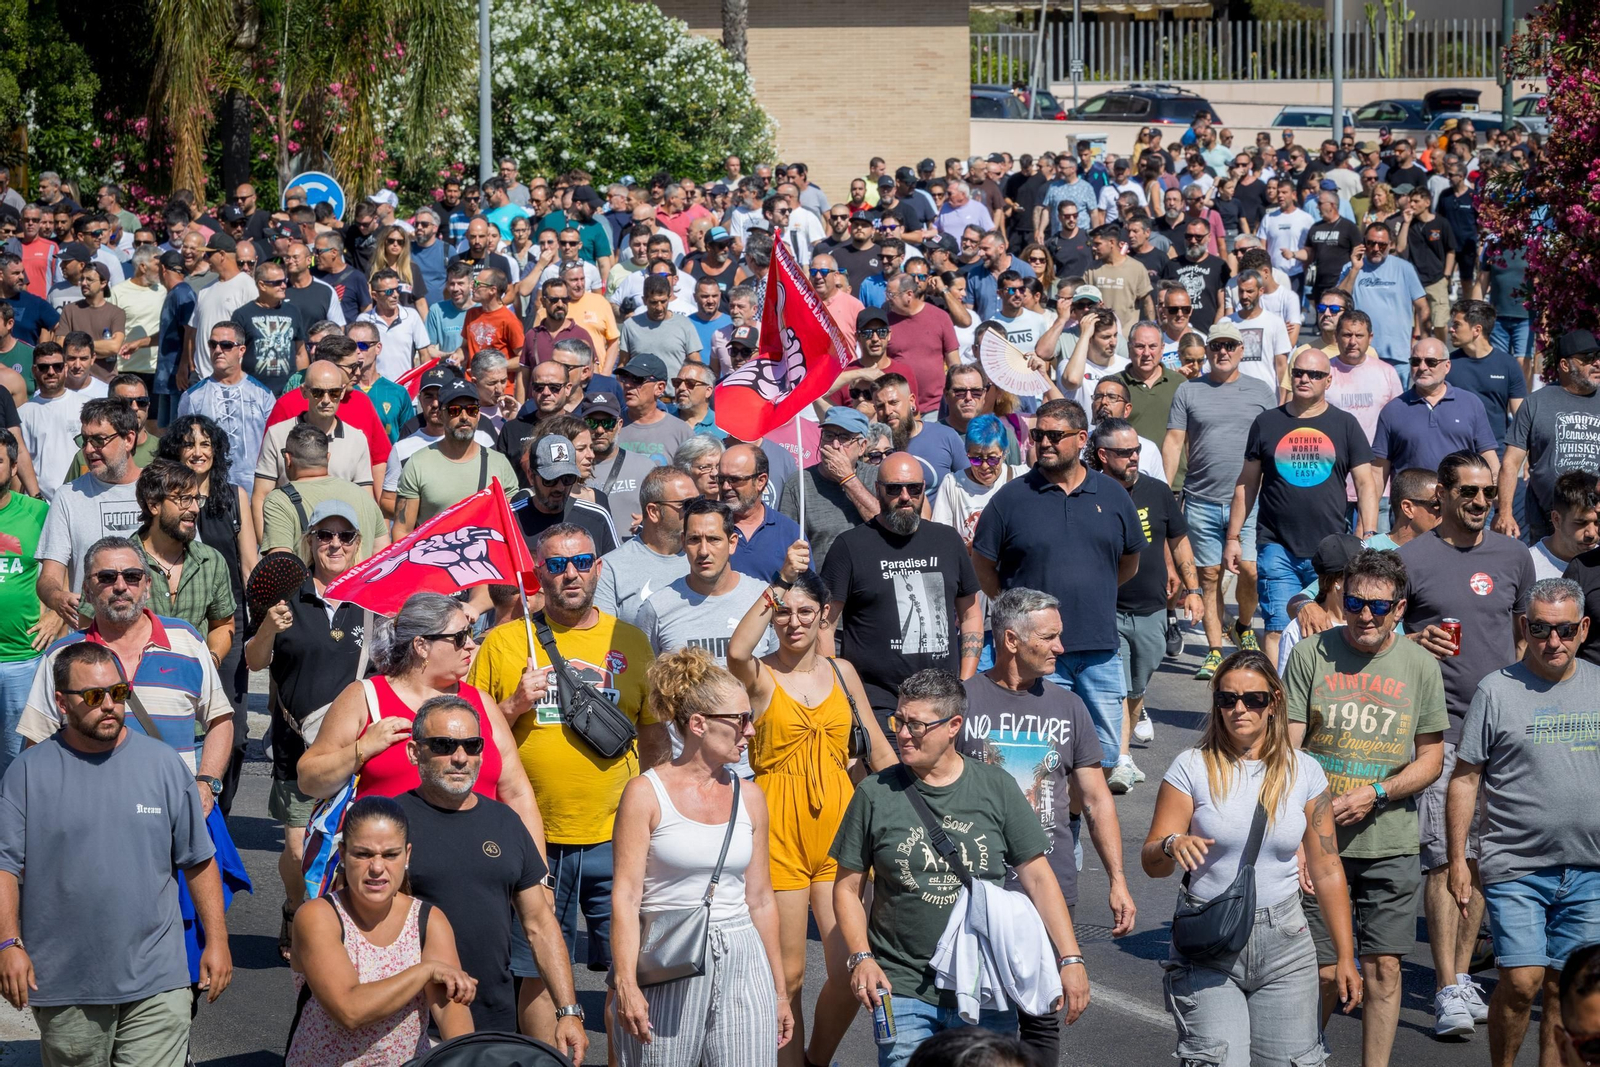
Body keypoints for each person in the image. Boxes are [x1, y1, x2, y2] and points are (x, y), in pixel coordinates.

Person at [832, 669, 1091, 1067]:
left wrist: (1070, 959)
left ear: (954, 726)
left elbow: (1038, 877)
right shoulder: (874, 793)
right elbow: (847, 889)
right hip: (901, 986)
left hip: (984, 986)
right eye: (898, 721)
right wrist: (861, 957)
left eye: (916, 725)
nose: (902, 734)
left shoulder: (996, 787)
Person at [466, 524, 667, 1024]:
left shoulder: (631, 641)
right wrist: (512, 704)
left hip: (615, 834)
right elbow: (471, 737)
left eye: (581, 562)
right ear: (538, 574)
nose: (570, 574)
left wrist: (662, 812)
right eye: (556, 565)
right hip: (531, 834)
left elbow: (655, 736)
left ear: (599, 567)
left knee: (630, 968)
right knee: (536, 965)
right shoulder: (504, 642)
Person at [0, 642, 232, 1065]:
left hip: (158, 980)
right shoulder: (27, 774)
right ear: (60, 702)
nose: (108, 705)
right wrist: (8, 944)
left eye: (118, 693)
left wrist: (217, 941)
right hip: (65, 983)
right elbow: (4, 866)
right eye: (92, 696)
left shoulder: (163, 766)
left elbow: (198, 859)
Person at [1142, 649, 1360, 1067]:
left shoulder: (1305, 771)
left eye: (1253, 699)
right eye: (1227, 699)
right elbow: (1152, 862)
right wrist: (1171, 844)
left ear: (1274, 701)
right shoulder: (1191, 767)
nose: (1239, 708)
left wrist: (1346, 955)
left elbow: (1328, 866)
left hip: (1286, 943)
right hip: (1209, 942)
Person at [728, 544, 895, 1067]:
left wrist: (913, 799)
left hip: (841, 829)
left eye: (806, 612)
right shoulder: (758, 676)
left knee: (852, 964)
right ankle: (788, 1062)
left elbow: (878, 744)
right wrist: (778, 584)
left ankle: (815, 1059)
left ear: (824, 615)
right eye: (785, 612)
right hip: (776, 831)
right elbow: (736, 651)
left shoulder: (843, 672)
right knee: (789, 974)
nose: (794, 622)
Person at [1282, 548, 1447, 1066]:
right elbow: (1287, 752)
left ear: (1400, 609)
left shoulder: (1420, 665)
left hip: (1391, 841)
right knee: (1323, 970)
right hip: (1317, 841)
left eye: (1379, 606)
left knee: (1385, 971)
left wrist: (1377, 792)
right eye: (1355, 602)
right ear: (1341, 598)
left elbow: (1432, 759)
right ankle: (1302, 1056)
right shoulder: (1312, 654)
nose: (1365, 616)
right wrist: (1301, 838)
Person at [956, 587, 1135, 1064]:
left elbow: (1097, 800)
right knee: (976, 1019)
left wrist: (1117, 879)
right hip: (976, 890)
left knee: (1041, 1017)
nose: (1061, 647)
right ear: (1011, 640)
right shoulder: (963, 702)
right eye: (1050, 637)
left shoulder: (1068, 707)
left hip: (1049, 890)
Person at [1397, 450, 1535, 1036]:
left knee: (1481, 859)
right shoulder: (1410, 559)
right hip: (1442, 730)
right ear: (1442, 499)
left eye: (1486, 493)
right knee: (1441, 855)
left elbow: (1526, 636)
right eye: (1468, 493)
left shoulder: (1514, 555)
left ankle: (1459, 975)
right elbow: (1377, 630)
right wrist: (1412, 635)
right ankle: (1450, 983)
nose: (1480, 503)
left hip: (1500, 734)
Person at [1442, 578, 1600, 1066]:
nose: (1553, 641)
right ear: (1524, 628)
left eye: (1565, 629)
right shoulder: (1496, 690)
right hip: (1517, 865)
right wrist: (1458, 859)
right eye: (1540, 629)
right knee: (1522, 982)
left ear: (1584, 628)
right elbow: (1465, 780)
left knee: (1564, 991)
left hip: (1591, 869)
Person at [610, 648, 794, 1067]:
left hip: (743, 953)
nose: (751, 730)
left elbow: (761, 898)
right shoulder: (645, 793)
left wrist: (778, 992)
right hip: (668, 956)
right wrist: (625, 984)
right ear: (698, 724)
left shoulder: (750, 796)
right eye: (741, 720)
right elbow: (625, 897)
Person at [396, 695, 588, 1055]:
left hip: (493, 1023)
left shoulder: (505, 822)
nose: (459, 757)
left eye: (472, 745)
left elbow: (540, 925)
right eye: (443, 745)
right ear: (414, 752)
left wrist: (569, 1011)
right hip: (412, 1024)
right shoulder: (392, 822)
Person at [973, 398, 1142, 777]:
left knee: (1103, 758)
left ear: (1081, 439)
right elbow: (982, 563)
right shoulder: (1011, 499)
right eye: (1038, 435)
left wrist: (1096, 590)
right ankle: (1053, 837)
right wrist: (1013, 608)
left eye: (1054, 435)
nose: (1044, 443)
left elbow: (1129, 562)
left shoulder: (1113, 495)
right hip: (1036, 655)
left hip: (1100, 651)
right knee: (1039, 761)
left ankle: (1075, 830)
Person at [243, 499, 369, 957]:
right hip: (296, 745)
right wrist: (268, 631)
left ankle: (332, 926)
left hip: (356, 747)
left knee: (349, 845)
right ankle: (297, 905)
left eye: (345, 537)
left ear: (357, 545)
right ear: (310, 541)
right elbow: (255, 661)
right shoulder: (287, 597)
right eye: (325, 535)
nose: (334, 544)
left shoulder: (372, 599)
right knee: (298, 852)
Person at [285, 796, 475, 1065]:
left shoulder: (428, 920)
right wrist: (424, 971)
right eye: (363, 854)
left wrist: (468, 1056)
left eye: (390, 855)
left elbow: (452, 1015)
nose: (377, 868)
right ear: (342, 853)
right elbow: (349, 1010)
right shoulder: (318, 916)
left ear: (407, 855)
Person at [1226, 347, 1378, 666]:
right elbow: (1247, 483)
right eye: (1298, 373)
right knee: (1279, 627)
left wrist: (1370, 532)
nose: (1305, 379)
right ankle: (1283, 706)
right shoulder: (1266, 423)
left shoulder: (1345, 425)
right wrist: (1233, 538)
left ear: (1328, 380)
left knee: (1327, 627)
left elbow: (1366, 483)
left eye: (1314, 374)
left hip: (1330, 550)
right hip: (1276, 545)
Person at [1089, 418, 1202, 792]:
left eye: (1136, 450)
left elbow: (1179, 540)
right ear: (1103, 455)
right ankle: (1121, 759)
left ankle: (1128, 733)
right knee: (1118, 687)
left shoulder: (1157, 491)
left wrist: (1193, 588)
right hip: (1107, 607)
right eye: (1125, 453)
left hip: (1152, 607)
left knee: (1138, 684)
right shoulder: (1089, 492)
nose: (1134, 457)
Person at [35, 397, 146, 628]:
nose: (88, 449)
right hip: (92, 640)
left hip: (151, 636)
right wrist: (56, 597)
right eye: (84, 440)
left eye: (99, 440)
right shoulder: (68, 497)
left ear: (128, 439)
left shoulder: (158, 489)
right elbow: (48, 577)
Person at [1497, 329, 1600, 544]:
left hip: (1596, 518)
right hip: (1546, 520)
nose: (1597, 363)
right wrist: (1505, 513)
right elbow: (1510, 462)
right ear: (1565, 365)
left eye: (1598, 357)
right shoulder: (1535, 403)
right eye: (1588, 359)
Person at [391, 378, 518, 537]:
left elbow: (513, 527)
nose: (464, 417)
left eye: (471, 410)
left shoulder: (499, 464)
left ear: (478, 415)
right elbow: (402, 529)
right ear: (441, 415)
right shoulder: (417, 464)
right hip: (432, 559)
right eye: (454, 410)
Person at [1372, 339, 1499, 489]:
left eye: (1431, 362)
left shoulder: (1471, 403)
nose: (1422, 367)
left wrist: (1499, 508)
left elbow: (1489, 460)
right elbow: (1377, 472)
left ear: (1447, 366)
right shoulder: (1393, 410)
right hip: (1411, 507)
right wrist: (1369, 511)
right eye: (1415, 361)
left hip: (1460, 505)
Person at [259, 423, 388, 559]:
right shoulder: (364, 496)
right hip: (361, 580)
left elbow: (280, 566)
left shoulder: (279, 501)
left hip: (309, 581)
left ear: (288, 459)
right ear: (327, 458)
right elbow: (383, 555)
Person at [174, 320, 276, 493]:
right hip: (207, 491)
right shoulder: (192, 397)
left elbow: (273, 447)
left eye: (226, 345)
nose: (218, 350)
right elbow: (182, 448)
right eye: (213, 344)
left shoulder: (263, 395)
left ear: (241, 350)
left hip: (255, 491)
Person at [593, 465, 695, 627]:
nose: (695, 511)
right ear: (653, 511)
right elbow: (603, 636)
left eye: (698, 502)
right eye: (687, 504)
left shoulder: (705, 559)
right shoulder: (611, 569)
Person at [778, 406, 882, 561]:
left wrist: (847, 478)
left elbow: (885, 524)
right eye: (828, 435)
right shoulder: (799, 483)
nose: (834, 444)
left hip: (868, 578)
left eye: (844, 438)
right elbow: (785, 542)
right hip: (822, 581)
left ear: (862, 447)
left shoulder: (875, 476)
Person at [1337, 222, 1429, 375]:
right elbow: (1339, 301)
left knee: (1398, 399)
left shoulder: (1404, 268)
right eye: (1371, 243)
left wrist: (1422, 342)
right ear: (1364, 243)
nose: (1375, 249)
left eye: (1382, 245)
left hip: (1397, 353)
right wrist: (1355, 269)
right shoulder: (1351, 267)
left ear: (1390, 245)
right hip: (1360, 352)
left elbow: (1422, 307)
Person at [514, 433, 618, 556]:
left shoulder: (597, 518)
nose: (560, 487)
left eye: (568, 478)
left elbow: (615, 569)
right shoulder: (511, 519)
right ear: (531, 477)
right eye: (550, 480)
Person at [1446, 299, 1526, 456]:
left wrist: (1526, 453)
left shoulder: (1508, 365)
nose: (1451, 330)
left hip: (1496, 453)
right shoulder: (1447, 365)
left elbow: (1521, 416)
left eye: (1457, 325)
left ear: (1477, 330)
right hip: (1455, 455)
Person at [720, 442, 802, 583]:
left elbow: (807, 594)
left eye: (735, 479)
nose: (726, 486)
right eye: (721, 479)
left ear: (760, 481)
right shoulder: (708, 526)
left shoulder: (790, 532)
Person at [583, 392, 658, 538]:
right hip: (584, 558)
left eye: (608, 423)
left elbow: (664, 510)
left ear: (619, 424)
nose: (599, 430)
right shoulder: (571, 471)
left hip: (633, 556)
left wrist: (651, 520)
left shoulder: (644, 467)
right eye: (591, 423)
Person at [872, 373, 966, 489]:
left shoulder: (945, 436)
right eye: (880, 406)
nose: (887, 411)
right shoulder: (874, 450)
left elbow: (969, 485)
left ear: (911, 401)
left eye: (894, 402)